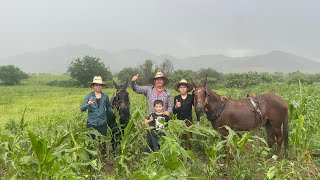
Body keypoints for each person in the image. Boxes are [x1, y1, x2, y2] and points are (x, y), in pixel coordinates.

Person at [80, 76, 114, 157]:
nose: (98, 87)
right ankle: (89, 161)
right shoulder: (89, 96)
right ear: (93, 86)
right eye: (96, 85)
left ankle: (103, 159)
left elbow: (108, 107)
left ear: (102, 86)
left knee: (102, 142)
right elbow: (82, 108)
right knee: (90, 143)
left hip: (102, 123)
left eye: (100, 85)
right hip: (91, 123)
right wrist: (88, 104)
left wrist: (114, 111)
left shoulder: (105, 97)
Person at [172, 79, 194, 149]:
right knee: (180, 137)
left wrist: (198, 119)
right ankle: (181, 151)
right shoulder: (176, 98)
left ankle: (189, 151)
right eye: (181, 87)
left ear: (187, 88)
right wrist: (176, 106)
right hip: (179, 121)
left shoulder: (191, 97)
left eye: (184, 87)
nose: (182, 89)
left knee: (189, 137)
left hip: (189, 120)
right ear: (178, 89)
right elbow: (174, 112)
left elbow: (196, 108)